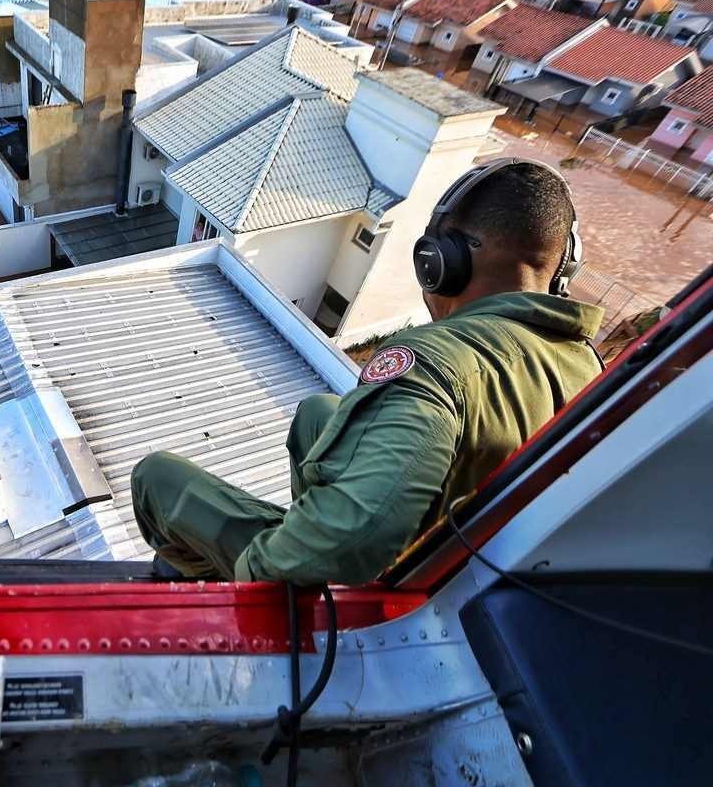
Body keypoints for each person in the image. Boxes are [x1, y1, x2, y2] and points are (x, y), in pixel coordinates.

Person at [132, 158, 605, 586]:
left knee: (156, 478)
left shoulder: (437, 361)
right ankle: (306, 527)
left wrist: (259, 573)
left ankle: (217, 577)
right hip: (467, 558)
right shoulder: (587, 363)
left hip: (388, 585)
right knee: (317, 413)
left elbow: (352, 541)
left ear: (442, 262)